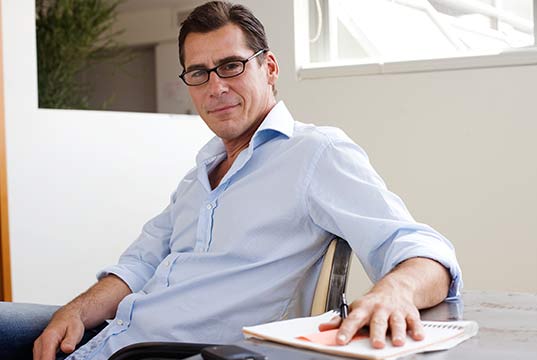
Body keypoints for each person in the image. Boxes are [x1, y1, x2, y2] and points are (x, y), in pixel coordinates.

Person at [0, 1, 462, 359]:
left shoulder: (316, 154)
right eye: (199, 73)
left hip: (173, 353)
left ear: (270, 68)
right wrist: (77, 310)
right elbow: (139, 264)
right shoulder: (199, 173)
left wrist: (393, 292)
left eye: (231, 65)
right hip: (115, 335)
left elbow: (424, 251)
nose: (215, 86)